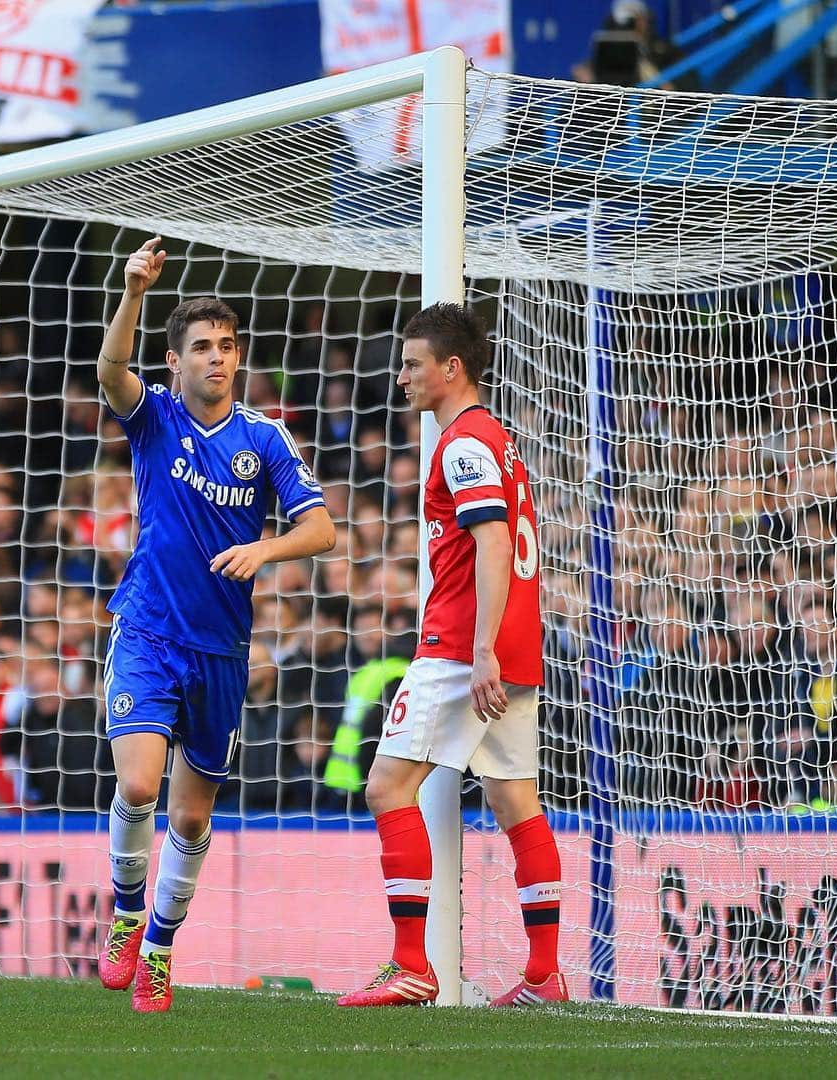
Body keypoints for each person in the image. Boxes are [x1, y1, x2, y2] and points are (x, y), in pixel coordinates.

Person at [94, 238, 335, 1012]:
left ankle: (160, 951)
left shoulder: (263, 439)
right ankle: (128, 915)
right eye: (202, 347)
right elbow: (107, 373)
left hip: (222, 652)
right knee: (138, 785)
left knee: (192, 815)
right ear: (175, 362)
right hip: (148, 632)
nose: (217, 359)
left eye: (227, 346)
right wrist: (133, 290)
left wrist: (265, 547)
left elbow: (322, 529)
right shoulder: (155, 419)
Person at [337, 303, 566, 1008]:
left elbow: (494, 543)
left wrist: (482, 650)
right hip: (513, 643)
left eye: (412, 363)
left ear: (450, 368)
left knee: (384, 788)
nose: (401, 376)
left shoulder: (464, 443)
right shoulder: (497, 440)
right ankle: (543, 975)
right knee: (515, 800)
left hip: (466, 645)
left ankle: (412, 965)